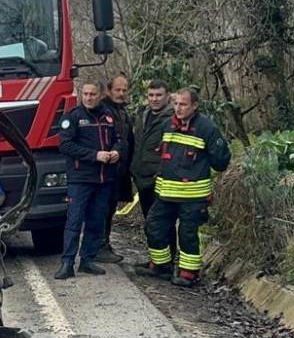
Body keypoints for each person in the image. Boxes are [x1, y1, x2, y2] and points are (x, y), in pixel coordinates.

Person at [138, 88, 232, 286]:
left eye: (183, 104)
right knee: (153, 226)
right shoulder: (167, 125)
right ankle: (161, 265)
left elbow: (221, 162)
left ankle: (189, 273)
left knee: (187, 234)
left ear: (195, 106)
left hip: (193, 195)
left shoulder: (207, 128)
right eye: (176, 104)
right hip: (165, 193)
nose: (178, 109)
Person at [55, 82, 126, 280]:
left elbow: (120, 139)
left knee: (97, 221)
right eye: (85, 94)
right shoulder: (73, 117)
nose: (88, 97)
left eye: (93, 94)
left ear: (100, 94)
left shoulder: (109, 116)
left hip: (104, 179)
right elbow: (66, 146)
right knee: (74, 221)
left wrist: (116, 152)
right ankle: (67, 263)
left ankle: (87, 260)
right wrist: (95, 155)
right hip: (80, 179)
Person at [96, 74, 134, 263]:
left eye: (124, 90)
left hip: (120, 170)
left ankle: (103, 243)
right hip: (105, 170)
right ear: (109, 91)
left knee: (110, 209)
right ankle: (99, 246)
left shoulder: (123, 112)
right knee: (102, 209)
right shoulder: (102, 111)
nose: (121, 93)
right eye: (117, 90)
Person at [130, 79, 173, 219]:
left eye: (159, 95)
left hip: (161, 182)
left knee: (162, 225)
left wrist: (160, 172)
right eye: (151, 95)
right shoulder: (142, 115)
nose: (154, 99)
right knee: (149, 222)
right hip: (142, 180)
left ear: (168, 96)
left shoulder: (174, 119)